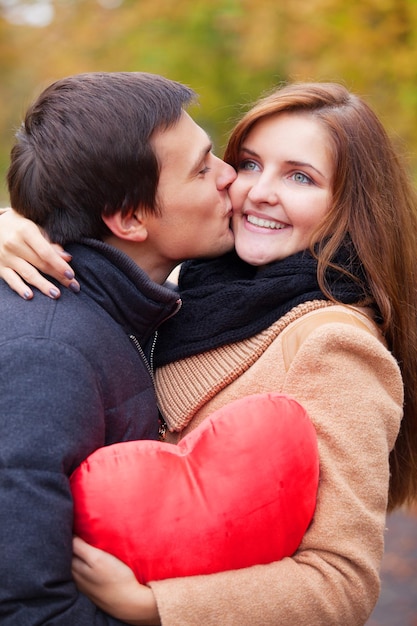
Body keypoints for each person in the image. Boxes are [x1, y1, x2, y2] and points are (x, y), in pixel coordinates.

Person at [2, 81, 417, 625]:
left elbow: (341, 583)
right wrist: (15, 222)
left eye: (300, 176)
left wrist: (154, 607)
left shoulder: (332, 344)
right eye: (245, 163)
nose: (249, 189)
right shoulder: (184, 294)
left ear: (348, 205)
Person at [0, 71, 236, 624]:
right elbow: (26, 606)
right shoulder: (48, 353)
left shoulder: (130, 310)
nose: (230, 177)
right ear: (130, 219)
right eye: (202, 168)